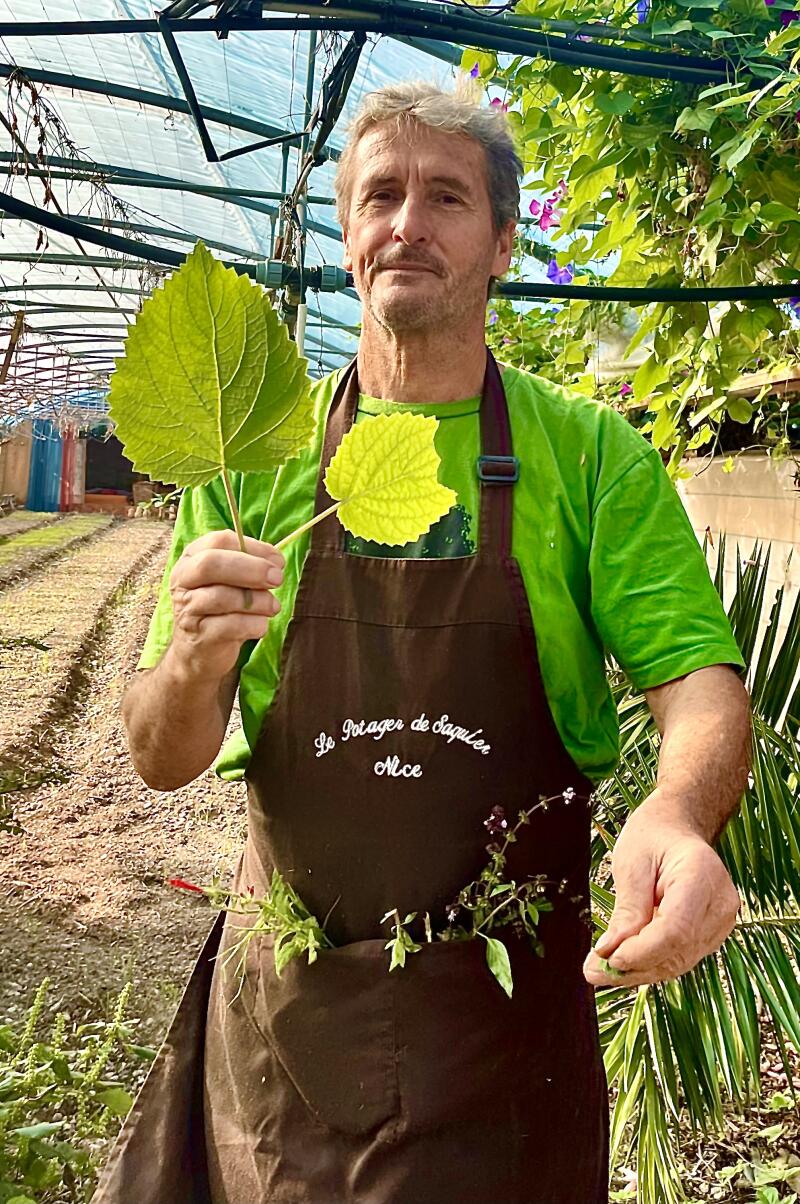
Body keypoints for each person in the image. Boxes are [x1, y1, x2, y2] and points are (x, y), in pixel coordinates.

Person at [93, 77, 750, 1204]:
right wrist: (196, 661)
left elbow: (696, 682)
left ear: (501, 243)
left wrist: (677, 811)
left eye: (445, 197)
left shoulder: (588, 456)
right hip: (290, 1024)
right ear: (347, 238)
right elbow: (160, 754)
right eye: (378, 195)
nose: (406, 222)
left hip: (505, 1028)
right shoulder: (253, 470)